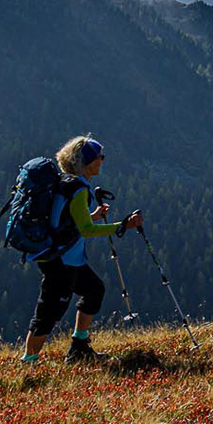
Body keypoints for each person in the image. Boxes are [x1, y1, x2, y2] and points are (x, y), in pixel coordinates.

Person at [21, 136, 141, 366]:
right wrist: (122, 226)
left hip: (65, 257)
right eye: (99, 157)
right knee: (50, 310)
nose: (102, 161)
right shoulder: (78, 190)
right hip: (61, 260)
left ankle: (79, 347)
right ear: (87, 163)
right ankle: (29, 362)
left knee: (94, 290)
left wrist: (93, 215)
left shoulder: (68, 182)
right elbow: (86, 230)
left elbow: (68, 220)